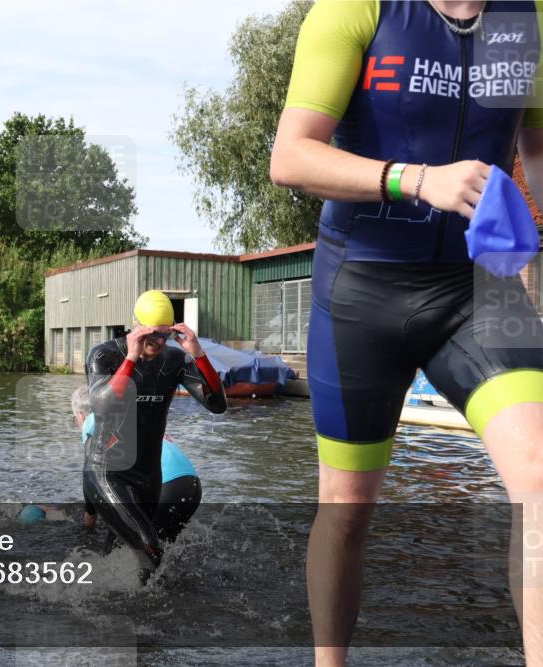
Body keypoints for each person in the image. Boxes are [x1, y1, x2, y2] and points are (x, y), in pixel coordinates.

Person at [270, 2, 543, 663]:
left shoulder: (527, 18)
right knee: (347, 509)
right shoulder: (357, 8)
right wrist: (416, 180)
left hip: (479, 285)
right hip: (362, 287)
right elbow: (291, 157)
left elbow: (536, 149)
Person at [83, 290, 225, 582]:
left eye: (164, 335)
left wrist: (197, 353)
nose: (158, 343)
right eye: (151, 335)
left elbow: (218, 405)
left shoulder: (174, 360)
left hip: (149, 478)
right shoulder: (104, 355)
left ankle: (105, 611)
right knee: (151, 549)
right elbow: (102, 404)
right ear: (136, 327)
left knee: (120, 557)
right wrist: (132, 359)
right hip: (109, 473)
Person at [71, 386, 202, 544]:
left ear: (80, 415)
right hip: (190, 484)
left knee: (116, 552)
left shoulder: (93, 419)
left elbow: (91, 473)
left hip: (166, 485)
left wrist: (90, 516)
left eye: (75, 419)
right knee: (164, 550)